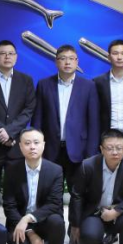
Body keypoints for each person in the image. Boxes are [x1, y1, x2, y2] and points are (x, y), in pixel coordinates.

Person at [2, 128, 68, 244]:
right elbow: (9, 205)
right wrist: (30, 232)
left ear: (43, 145)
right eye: (27, 143)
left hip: (44, 219)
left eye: (36, 143)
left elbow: (54, 203)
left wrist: (29, 218)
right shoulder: (12, 170)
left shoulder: (55, 170)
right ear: (20, 146)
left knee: (57, 222)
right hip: (19, 221)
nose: (32, 147)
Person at [33, 44, 99, 189]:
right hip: (50, 149)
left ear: (77, 61)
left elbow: (93, 123)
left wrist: (91, 153)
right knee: (50, 191)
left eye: (71, 58)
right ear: (56, 62)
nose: (67, 62)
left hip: (78, 150)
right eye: (63, 58)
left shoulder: (88, 86)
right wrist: (37, 146)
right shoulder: (44, 84)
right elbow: (37, 119)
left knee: (78, 193)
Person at [0, 40, 36, 182]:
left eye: (11, 53)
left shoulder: (26, 80)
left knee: (15, 190)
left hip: (16, 145)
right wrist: (2, 133)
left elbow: (28, 109)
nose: (7, 57)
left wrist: (10, 132)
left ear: (16, 57)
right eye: (3, 53)